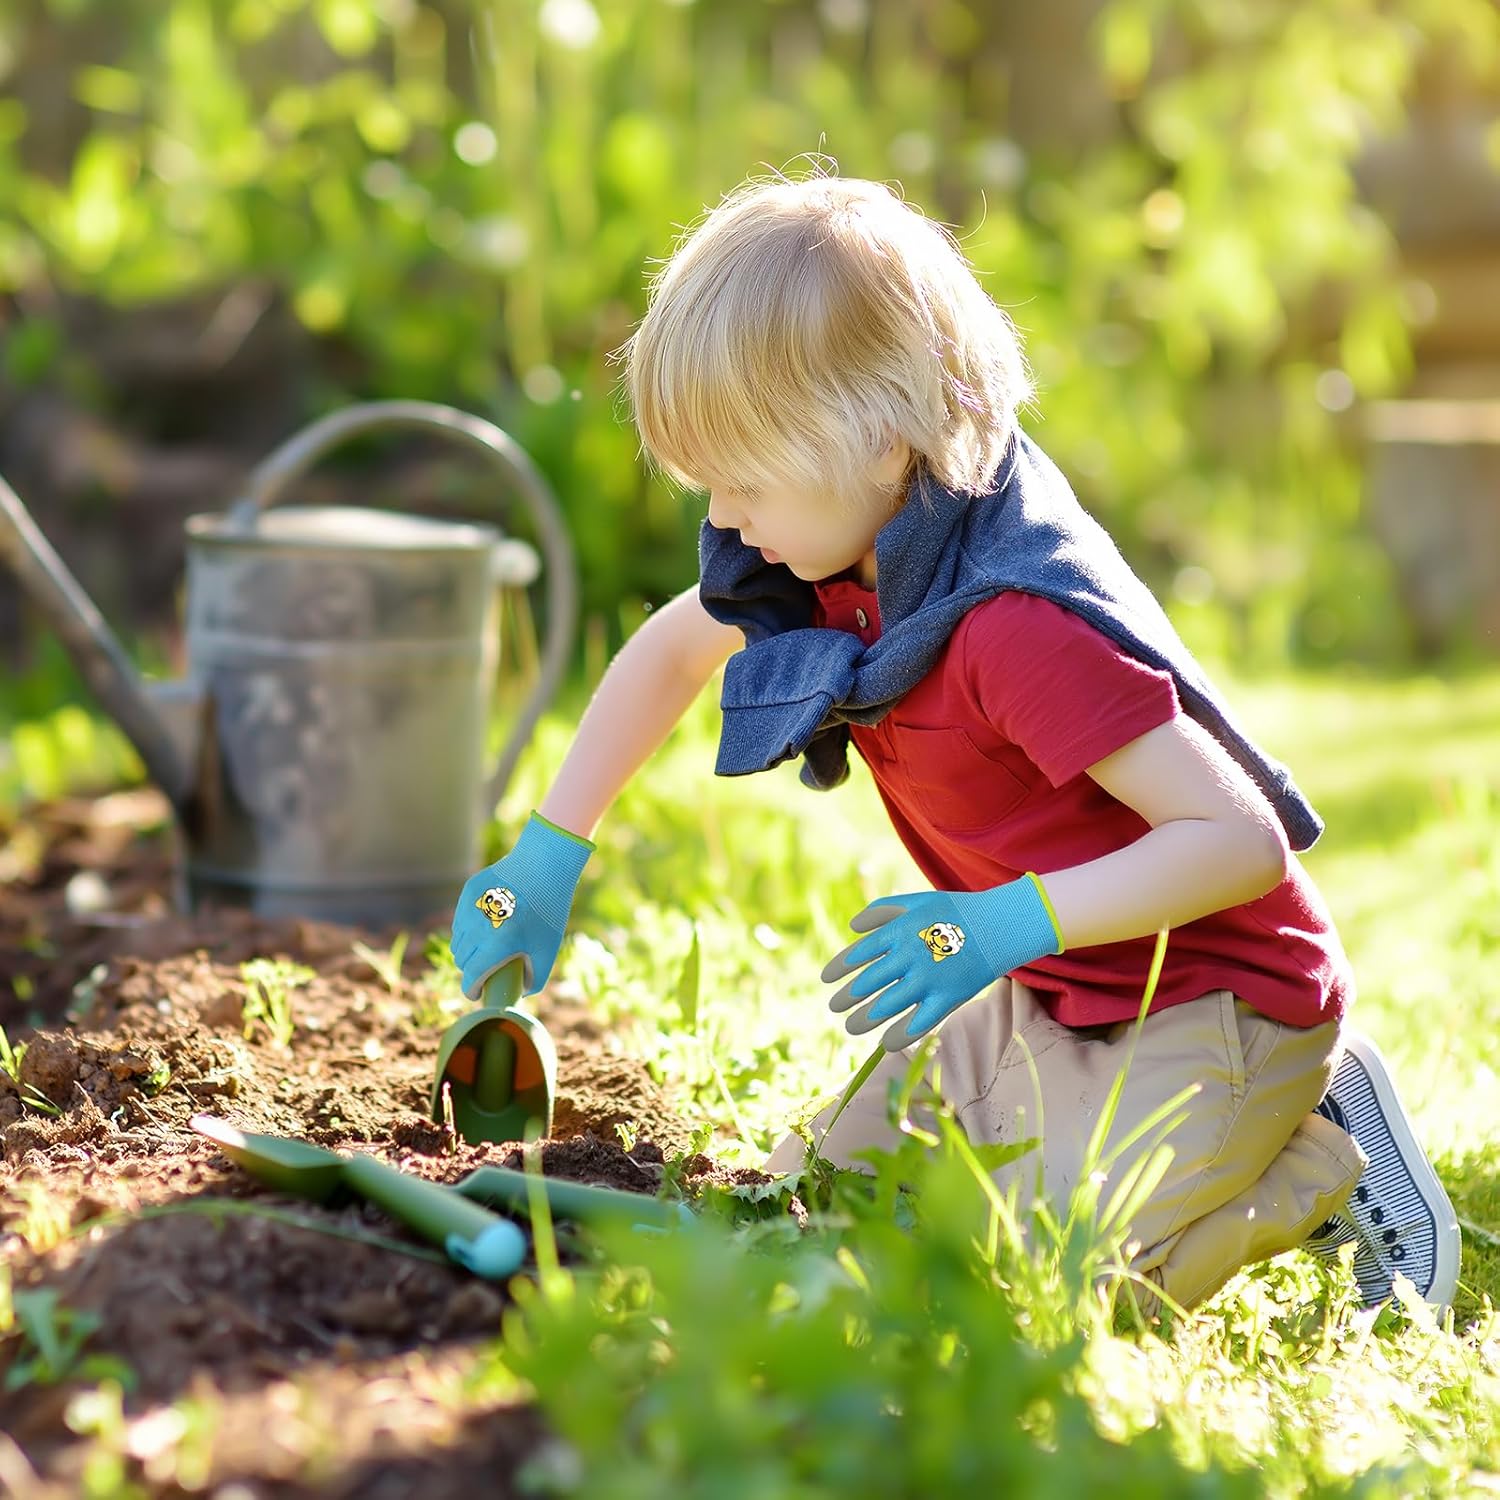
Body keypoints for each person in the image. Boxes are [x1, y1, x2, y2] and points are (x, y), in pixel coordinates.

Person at [450, 170, 1460, 1316]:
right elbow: (672, 652)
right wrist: (550, 850)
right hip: (1044, 983)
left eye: (744, 480)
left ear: (884, 446)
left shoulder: (1011, 624)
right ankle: (1196, 1130)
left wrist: (999, 920)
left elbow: (1239, 843)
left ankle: (1320, 1152)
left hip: (1211, 998)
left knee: (1045, 1291)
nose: (722, 520)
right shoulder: (833, 549)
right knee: (818, 1210)